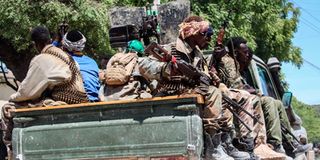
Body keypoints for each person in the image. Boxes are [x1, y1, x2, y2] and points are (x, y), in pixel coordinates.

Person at [138, 15, 251, 160]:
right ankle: (213, 149)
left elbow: (204, 79)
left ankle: (223, 143)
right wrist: (166, 69)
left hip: (192, 94)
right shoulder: (171, 49)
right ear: (193, 33)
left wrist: (212, 78)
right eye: (207, 34)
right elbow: (142, 65)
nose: (210, 39)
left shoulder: (198, 55)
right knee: (213, 93)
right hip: (169, 95)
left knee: (223, 92)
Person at [0, 26, 88, 158]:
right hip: (81, 99)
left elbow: (27, 92)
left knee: (8, 107)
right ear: (50, 39)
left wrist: (13, 97)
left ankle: (12, 151)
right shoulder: (64, 54)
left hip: (65, 100)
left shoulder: (41, 59)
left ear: (36, 44)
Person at [219, 36, 312, 157]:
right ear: (236, 52)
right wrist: (257, 92)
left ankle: (288, 143)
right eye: (245, 52)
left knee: (277, 103)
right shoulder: (228, 61)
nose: (247, 55)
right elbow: (236, 86)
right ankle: (272, 143)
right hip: (234, 100)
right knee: (267, 100)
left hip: (240, 99)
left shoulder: (238, 66)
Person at [61, 30, 100, 102]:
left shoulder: (64, 62)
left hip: (77, 101)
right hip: (94, 100)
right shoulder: (92, 62)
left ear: (65, 45)